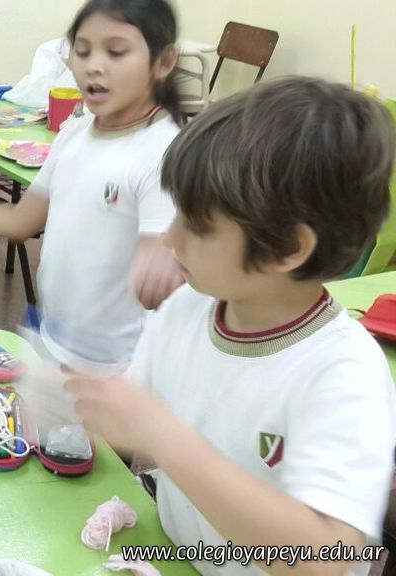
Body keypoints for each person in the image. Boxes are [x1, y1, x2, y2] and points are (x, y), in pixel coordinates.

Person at [67, 77, 396, 575]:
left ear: (288, 248)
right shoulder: (188, 308)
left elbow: (325, 559)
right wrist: (91, 404)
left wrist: (163, 436)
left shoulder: (343, 373)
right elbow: (137, 418)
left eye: (197, 226)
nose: (170, 239)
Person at [0, 0, 182, 371]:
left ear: (163, 62)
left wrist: (162, 259)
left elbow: (163, 254)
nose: (93, 65)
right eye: (82, 51)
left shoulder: (163, 151)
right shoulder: (76, 131)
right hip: (56, 345)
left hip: (120, 369)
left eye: (116, 52)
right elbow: (20, 221)